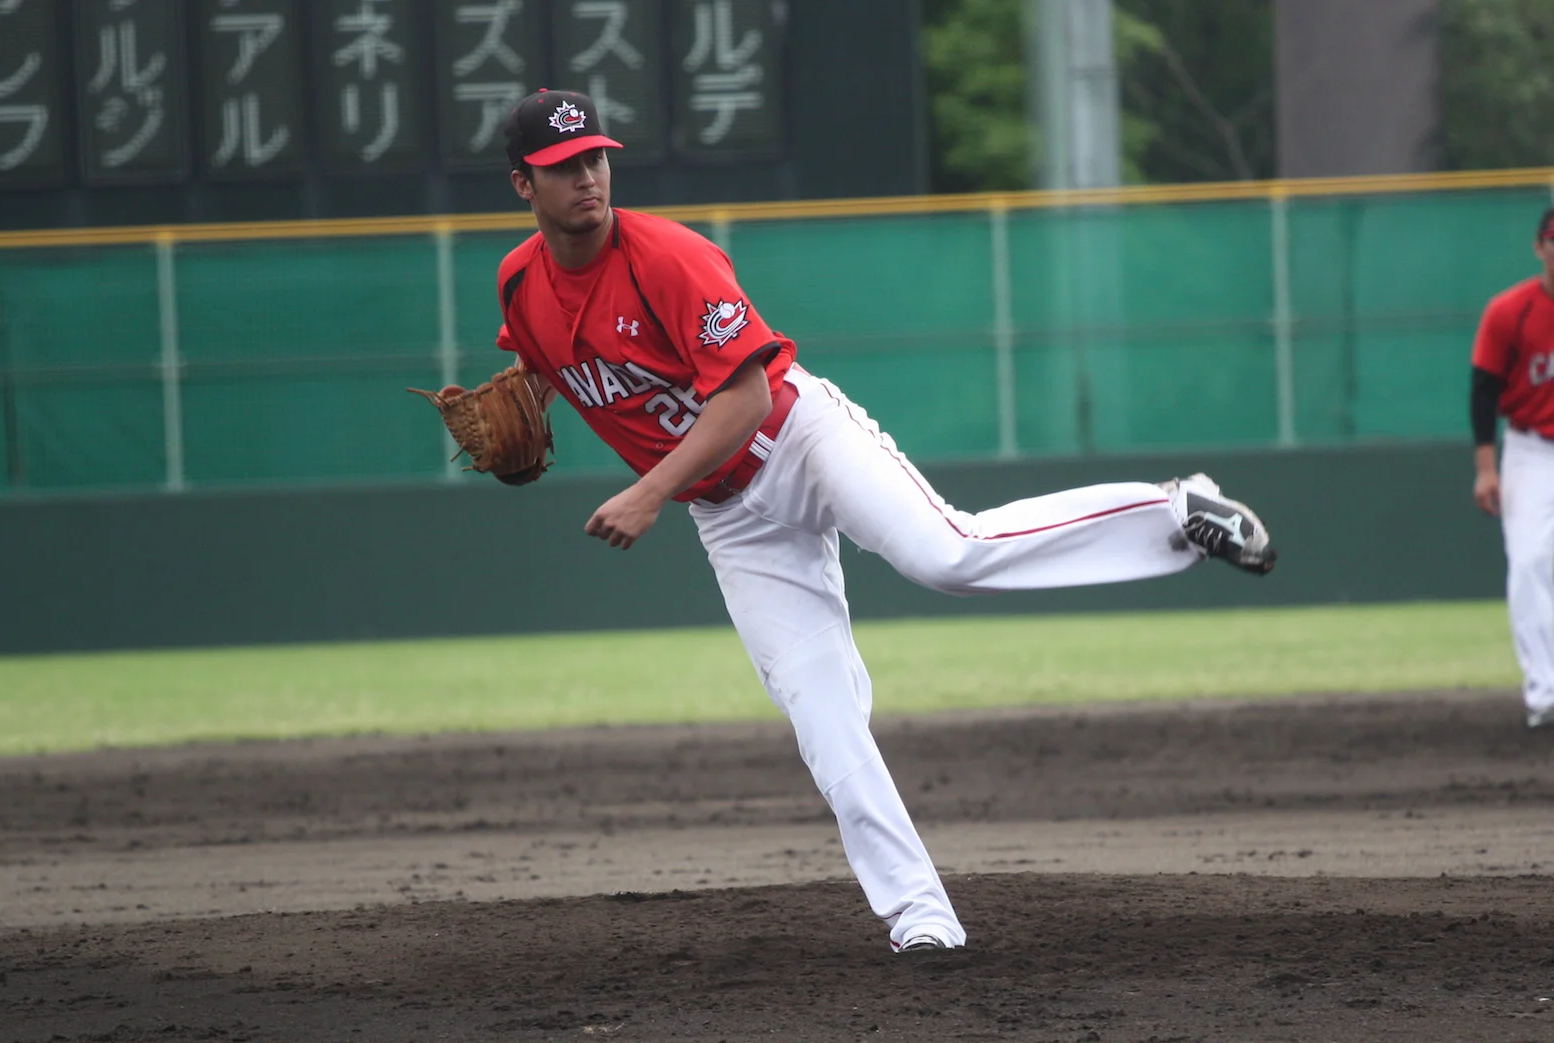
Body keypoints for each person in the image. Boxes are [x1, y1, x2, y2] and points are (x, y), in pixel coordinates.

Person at [490, 89, 1278, 952]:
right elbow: (540, 359)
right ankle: (919, 913)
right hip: (733, 517)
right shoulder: (520, 281)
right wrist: (526, 410)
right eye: (564, 168)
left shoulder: (670, 258)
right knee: (820, 713)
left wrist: (647, 491)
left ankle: (1171, 511)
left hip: (799, 438)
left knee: (949, 554)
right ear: (524, 184)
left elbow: (747, 395)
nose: (588, 177)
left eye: (596, 158)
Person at [1469, 208, 1554, 730]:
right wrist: (1485, 467)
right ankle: (1545, 692)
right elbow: (1483, 390)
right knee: (1527, 562)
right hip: (1530, 450)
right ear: (1540, 247)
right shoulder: (1510, 311)